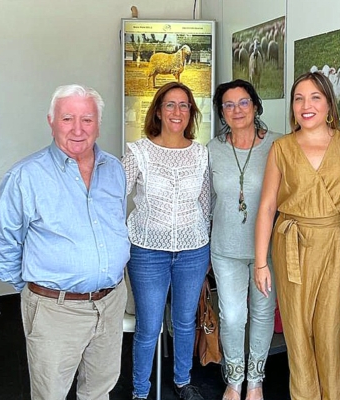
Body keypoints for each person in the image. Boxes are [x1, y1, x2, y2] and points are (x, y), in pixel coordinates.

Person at [0, 84, 130, 400]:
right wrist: (39, 293)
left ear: (98, 123)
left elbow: (113, 224)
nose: (78, 129)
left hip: (110, 303)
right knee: (50, 394)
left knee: (99, 390)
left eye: (87, 119)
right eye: (68, 119)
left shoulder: (114, 169)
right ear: (51, 121)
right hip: (56, 310)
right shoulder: (25, 176)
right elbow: (5, 245)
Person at [254, 71, 340, 400]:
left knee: (332, 331)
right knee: (297, 334)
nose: (306, 105)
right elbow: (268, 206)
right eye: (299, 98)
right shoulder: (281, 147)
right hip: (291, 245)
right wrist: (260, 263)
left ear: (329, 103)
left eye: (315, 97)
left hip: (338, 243)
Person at [122, 81, 210, 400]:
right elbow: (114, 194)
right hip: (147, 251)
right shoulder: (139, 152)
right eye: (170, 105)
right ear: (158, 111)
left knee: (185, 321)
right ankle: (141, 391)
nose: (177, 111)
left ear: (191, 112)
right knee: (149, 326)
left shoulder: (201, 154)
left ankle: (183, 381)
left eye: (184, 105)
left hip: (193, 250)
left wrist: (207, 247)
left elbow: (205, 205)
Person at [208, 79, 281, 400]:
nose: (236, 110)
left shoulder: (278, 145)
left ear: (255, 106)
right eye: (228, 104)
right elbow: (205, 202)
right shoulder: (212, 150)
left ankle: (255, 380)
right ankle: (234, 379)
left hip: (268, 250)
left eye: (243, 102)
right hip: (225, 248)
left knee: (263, 313)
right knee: (233, 315)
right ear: (221, 113)